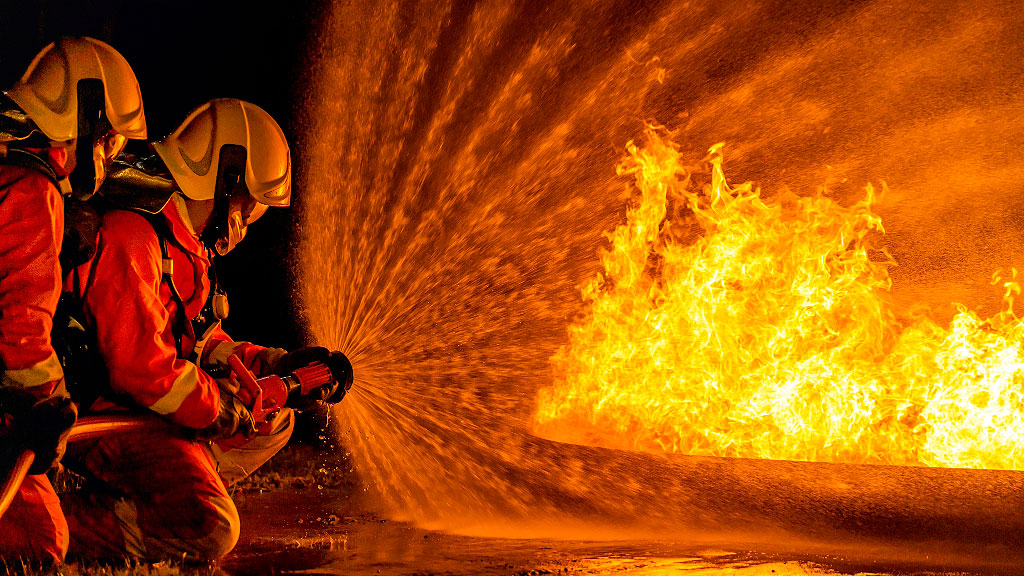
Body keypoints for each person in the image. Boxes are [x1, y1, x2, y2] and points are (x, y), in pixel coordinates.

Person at [59, 98, 352, 561]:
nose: (249, 218)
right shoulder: (132, 236)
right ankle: (56, 523)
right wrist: (216, 406)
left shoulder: (184, 243)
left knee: (274, 418)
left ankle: (176, 480)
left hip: (142, 404)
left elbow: (203, 343)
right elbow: (140, 369)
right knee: (211, 530)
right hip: (98, 413)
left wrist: (276, 366)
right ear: (226, 175)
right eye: (249, 202)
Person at [0, 37, 146, 563]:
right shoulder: (31, 190)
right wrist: (48, 407)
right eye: (108, 141)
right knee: (42, 540)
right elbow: (22, 335)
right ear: (82, 118)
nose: (108, 158)